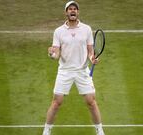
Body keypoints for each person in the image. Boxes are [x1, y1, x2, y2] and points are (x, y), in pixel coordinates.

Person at [42, 1, 105, 135]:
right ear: (66, 12)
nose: (72, 11)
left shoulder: (86, 29)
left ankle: (99, 130)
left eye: (75, 9)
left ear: (78, 12)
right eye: (70, 9)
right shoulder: (58, 31)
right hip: (65, 71)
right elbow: (57, 54)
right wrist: (52, 55)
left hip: (82, 71)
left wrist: (92, 58)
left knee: (91, 102)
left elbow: (90, 50)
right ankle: (47, 131)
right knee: (56, 102)